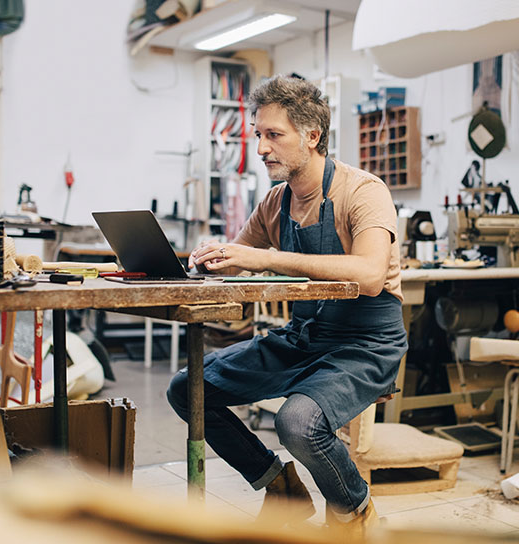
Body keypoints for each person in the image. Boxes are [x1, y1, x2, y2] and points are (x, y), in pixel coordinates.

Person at [167, 75, 408, 535]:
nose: (261, 148)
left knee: (297, 422)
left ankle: (354, 512)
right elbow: (238, 261)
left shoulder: (363, 191)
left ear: (312, 136)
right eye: (258, 134)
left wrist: (267, 258)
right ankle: (278, 484)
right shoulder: (276, 201)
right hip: (304, 337)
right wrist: (213, 258)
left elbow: (371, 274)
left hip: (365, 341)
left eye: (274, 135)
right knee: (188, 389)